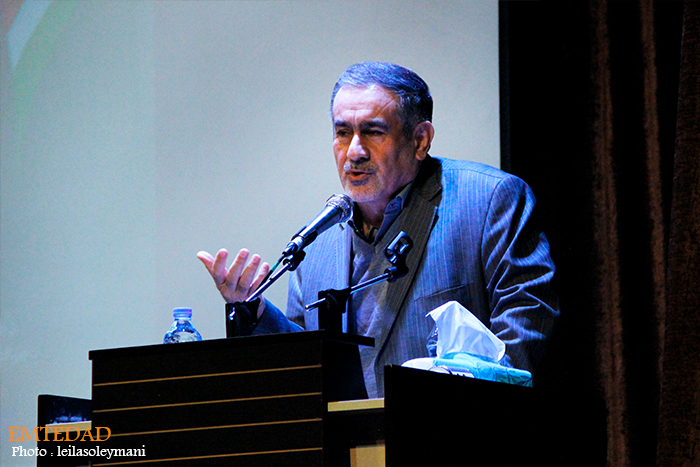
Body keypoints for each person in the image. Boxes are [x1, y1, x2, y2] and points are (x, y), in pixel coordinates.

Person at [198, 62, 559, 398]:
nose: (354, 151)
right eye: (343, 132)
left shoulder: (488, 200)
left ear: (420, 140)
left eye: (373, 132)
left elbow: (524, 330)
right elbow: (308, 367)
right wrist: (256, 310)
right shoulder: (316, 243)